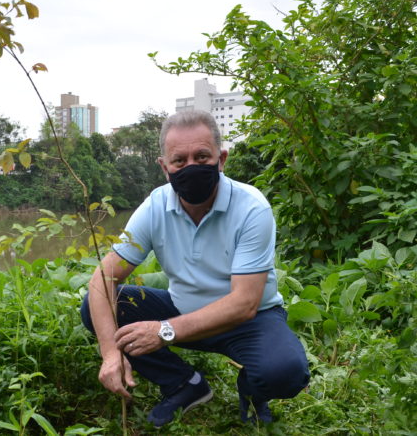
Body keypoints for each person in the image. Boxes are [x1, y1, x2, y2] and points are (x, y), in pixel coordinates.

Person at [80, 110, 310, 428]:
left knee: (286, 372)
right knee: (98, 304)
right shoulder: (154, 207)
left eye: (202, 157)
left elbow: (244, 304)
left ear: (222, 158)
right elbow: (102, 279)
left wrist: (164, 331)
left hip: (251, 321)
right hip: (182, 308)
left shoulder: (252, 208)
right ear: (164, 167)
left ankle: (254, 390)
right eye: (179, 160)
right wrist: (109, 352)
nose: (191, 167)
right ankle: (184, 384)